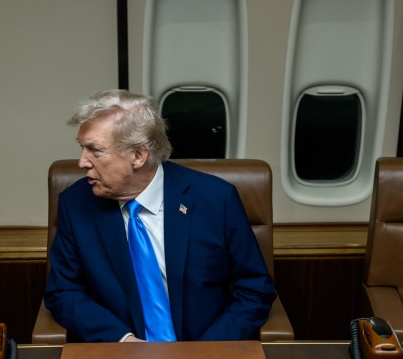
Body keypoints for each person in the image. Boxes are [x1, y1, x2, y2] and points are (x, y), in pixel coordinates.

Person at [44, 89, 275, 342]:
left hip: (205, 352)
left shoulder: (216, 199)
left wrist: (209, 351)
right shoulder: (75, 204)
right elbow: (64, 292)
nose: (82, 162)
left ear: (138, 155)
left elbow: (255, 290)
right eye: (82, 148)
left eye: (95, 151)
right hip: (118, 358)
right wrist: (122, 340)